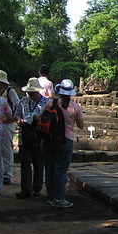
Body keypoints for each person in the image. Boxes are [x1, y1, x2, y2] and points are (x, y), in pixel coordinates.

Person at [41, 79, 84, 208]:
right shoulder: (75, 108)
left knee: (49, 168)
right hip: (65, 140)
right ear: (70, 93)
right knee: (61, 169)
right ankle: (59, 198)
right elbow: (81, 126)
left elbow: (42, 118)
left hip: (48, 139)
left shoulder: (50, 103)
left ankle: (51, 196)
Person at [14, 78, 50, 198]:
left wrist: (36, 118)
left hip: (40, 134)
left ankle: (37, 188)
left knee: (39, 163)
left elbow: (48, 118)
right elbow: (16, 114)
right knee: (25, 163)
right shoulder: (23, 101)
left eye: (32, 91)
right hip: (24, 134)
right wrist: (19, 120)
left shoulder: (46, 102)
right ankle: (26, 189)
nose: (30, 93)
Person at [0, 70, 19, 184]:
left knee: (7, 148)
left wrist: (11, 118)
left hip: (7, 123)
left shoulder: (10, 91)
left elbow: (17, 105)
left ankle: (7, 174)